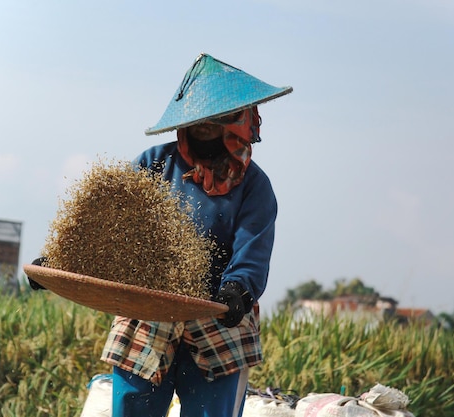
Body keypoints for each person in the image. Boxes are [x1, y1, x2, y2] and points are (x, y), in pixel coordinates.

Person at [32, 53, 292, 417]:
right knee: (132, 407)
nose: (202, 133)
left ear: (237, 127)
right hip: (145, 312)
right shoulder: (155, 163)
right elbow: (108, 227)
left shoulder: (255, 187)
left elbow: (253, 250)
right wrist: (62, 263)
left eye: (211, 126)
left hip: (218, 320)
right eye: (196, 126)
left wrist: (237, 289)